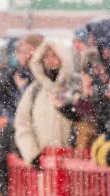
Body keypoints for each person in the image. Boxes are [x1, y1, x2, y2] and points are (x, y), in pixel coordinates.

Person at [14, 39, 74, 167]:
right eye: (45, 56)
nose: (50, 60)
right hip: (44, 164)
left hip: (73, 164)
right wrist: (32, 153)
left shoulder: (74, 88)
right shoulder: (35, 90)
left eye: (54, 55)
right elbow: (22, 123)